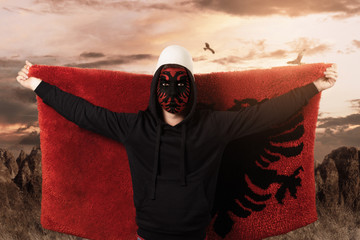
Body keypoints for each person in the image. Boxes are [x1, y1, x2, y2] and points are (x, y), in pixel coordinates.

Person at [16, 45, 337, 240]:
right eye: (165, 82)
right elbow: (83, 113)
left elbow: (265, 114)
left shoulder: (214, 127)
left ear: (192, 88)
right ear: (155, 85)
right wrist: (36, 84)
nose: (172, 90)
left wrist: (315, 86)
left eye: (181, 82)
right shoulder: (135, 128)